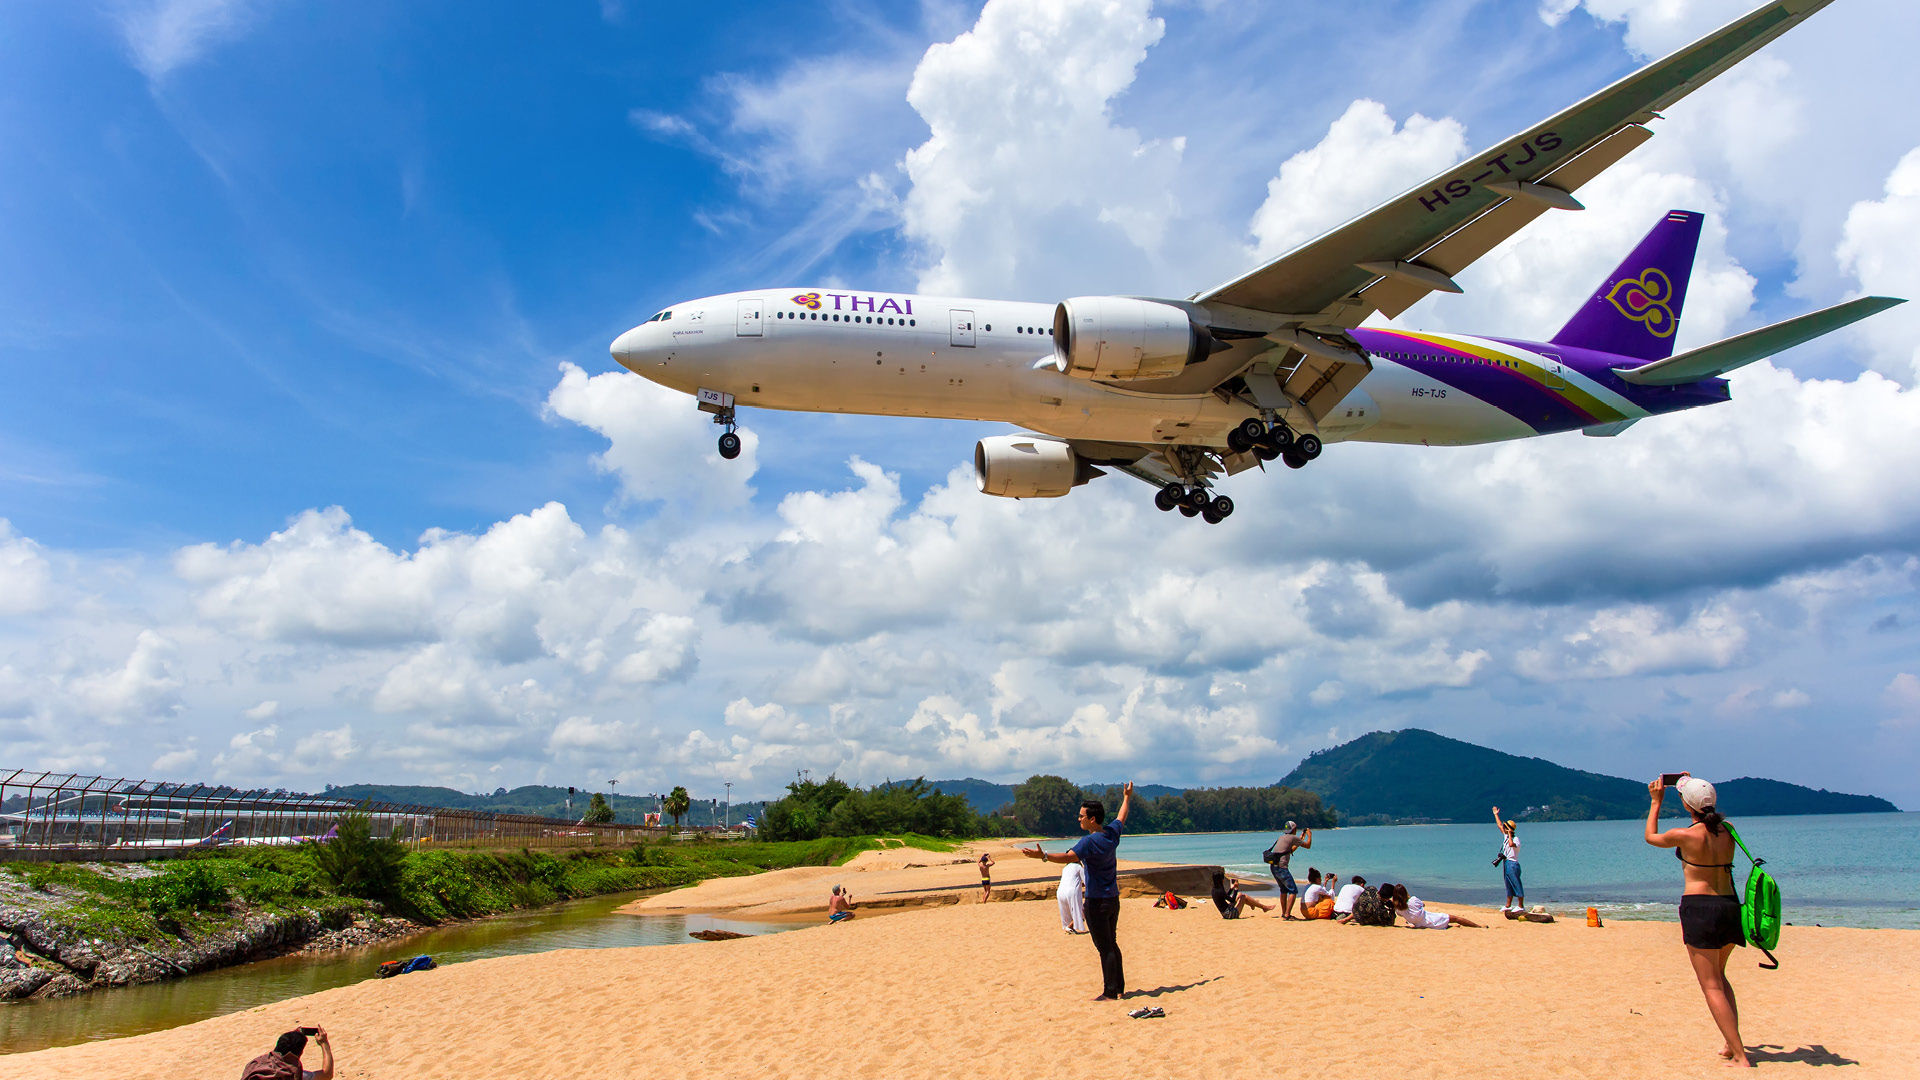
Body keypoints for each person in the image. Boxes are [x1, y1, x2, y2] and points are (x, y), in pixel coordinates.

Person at [1645, 773, 1749, 1068]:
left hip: (1701, 909)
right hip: (1729, 906)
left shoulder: (1685, 835)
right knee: (1720, 978)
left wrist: (1655, 803)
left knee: (1711, 985)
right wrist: (1691, 789)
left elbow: (1651, 837)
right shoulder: (1729, 830)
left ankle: (1740, 1056)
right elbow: (1707, 815)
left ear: (1687, 805)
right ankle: (1731, 1043)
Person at [1024, 781, 1135, 1001]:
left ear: (1092, 819)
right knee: (1112, 943)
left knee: (1105, 947)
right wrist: (1126, 797)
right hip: (1113, 899)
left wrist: (1043, 856)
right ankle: (1119, 987)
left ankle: (1110, 992)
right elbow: (1122, 816)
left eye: (1081, 816)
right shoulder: (1111, 833)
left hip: (1097, 902)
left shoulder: (1089, 842)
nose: (1079, 819)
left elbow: (1068, 857)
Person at [240, 1026, 333, 1080]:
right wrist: (324, 1044)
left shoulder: (254, 1064)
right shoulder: (290, 1073)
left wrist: (292, 1035)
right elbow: (327, 1074)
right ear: (300, 1053)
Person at [1264, 821, 1313, 919]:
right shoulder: (1293, 838)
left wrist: (1300, 839)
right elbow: (1308, 846)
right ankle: (1287, 915)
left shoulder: (1282, 837)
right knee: (1293, 891)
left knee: (1283, 890)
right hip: (1282, 868)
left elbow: (1288, 851)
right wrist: (1309, 835)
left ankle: (1284, 913)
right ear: (1293, 829)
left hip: (1274, 867)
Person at [1387, 884, 1486, 929]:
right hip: (1430, 919)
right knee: (1456, 918)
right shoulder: (1413, 900)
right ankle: (1478, 926)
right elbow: (1423, 904)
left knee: (1448, 922)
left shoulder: (1398, 909)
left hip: (1420, 925)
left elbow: (1401, 914)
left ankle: (1451, 926)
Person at [1494, 805, 1524, 915]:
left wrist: (1510, 835)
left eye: (1506, 828)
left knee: (1516, 883)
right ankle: (1508, 905)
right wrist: (1496, 815)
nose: (1504, 829)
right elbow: (1499, 825)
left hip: (1513, 863)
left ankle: (1520, 906)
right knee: (1508, 884)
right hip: (1506, 862)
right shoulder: (1506, 836)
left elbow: (1511, 844)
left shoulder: (1516, 839)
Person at [1209, 870, 1275, 919]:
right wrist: (1236, 889)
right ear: (1221, 880)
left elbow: (1225, 896)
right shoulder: (1220, 890)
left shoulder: (1215, 889)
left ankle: (1253, 904)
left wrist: (1231, 888)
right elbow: (1232, 900)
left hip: (1225, 912)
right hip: (1229, 914)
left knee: (1240, 894)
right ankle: (1263, 907)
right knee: (1243, 897)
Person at [1058, 860, 1088, 934]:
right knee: (1081, 911)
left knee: (1066, 912)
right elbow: (1086, 881)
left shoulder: (1065, 868)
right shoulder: (1078, 867)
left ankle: (1069, 927)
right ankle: (1070, 927)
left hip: (1060, 891)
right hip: (1072, 892)